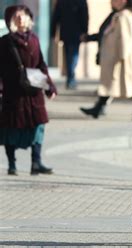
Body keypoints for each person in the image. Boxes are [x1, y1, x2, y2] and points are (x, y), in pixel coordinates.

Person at [0, 5, 57, 176]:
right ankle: (12, 164)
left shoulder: (34, 39)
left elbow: (41, 65)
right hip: (13, 93)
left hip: (33, 93)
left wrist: (50, 87)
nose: (20, 19)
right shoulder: (4, 42)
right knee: (11, 129)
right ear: (10, 21)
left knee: (38, 127)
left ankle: (36, 162)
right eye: (16, 16)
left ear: (30, 19)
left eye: (23, 15)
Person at [79, 0, 132, 120]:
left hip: (124, 57)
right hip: (131, 56)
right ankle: (99, 107)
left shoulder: (123, 16)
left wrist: (122, 56)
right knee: (122, 84)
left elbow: (124, 38)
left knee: (117, 83)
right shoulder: (130, 14)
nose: (111, 2)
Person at [51, 0, 89, 90]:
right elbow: (85, 17)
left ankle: (70, 78)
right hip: (74, 34)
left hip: (70, 34)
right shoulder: (79, 2)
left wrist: (53, 33)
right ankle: (71, 79)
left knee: (70, 56)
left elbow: (55, 18)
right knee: (72, 56)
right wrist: (84, 32)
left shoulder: (63, 2)